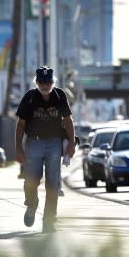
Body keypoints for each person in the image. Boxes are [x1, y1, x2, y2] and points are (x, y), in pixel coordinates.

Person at [15, 66, 76, 233]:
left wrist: (71, 143)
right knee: (30, 181)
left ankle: (49, 220)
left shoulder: (60, 96)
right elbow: (21, 124)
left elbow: (68, 120)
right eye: (41, 82)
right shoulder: (29, 98)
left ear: (52, 82)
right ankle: (32, 204)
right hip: (33, 143)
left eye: (47, 82)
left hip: (54, 144)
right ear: (37, 82)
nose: (44, 85)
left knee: (53, 185)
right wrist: (18, 148)